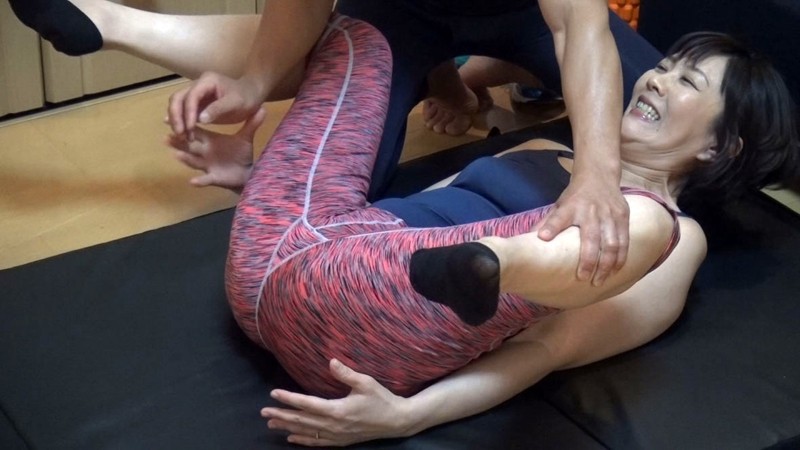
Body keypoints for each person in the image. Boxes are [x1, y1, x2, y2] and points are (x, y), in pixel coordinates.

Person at [164, 20, 797, 446]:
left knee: (643, 221)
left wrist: (406, 417)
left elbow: (548, 349)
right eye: (664, 65)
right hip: (302, 258)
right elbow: (394, 216)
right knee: (357, 36)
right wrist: (265, 179)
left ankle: (498, 264)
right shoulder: (544, 147)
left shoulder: (671, 236)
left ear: (720, 146)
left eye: (687, 81)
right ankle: (484, 263)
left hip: (371, 326)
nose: (655, 78)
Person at [7, 0, 657, 287]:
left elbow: (577, 26)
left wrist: (596, 175)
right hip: (400, 15)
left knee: (677, 134)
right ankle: (112, 19)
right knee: (328, 197)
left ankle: (465, 81)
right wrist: (255, 85)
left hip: (522, 15)